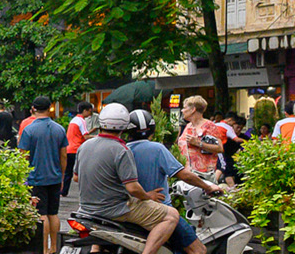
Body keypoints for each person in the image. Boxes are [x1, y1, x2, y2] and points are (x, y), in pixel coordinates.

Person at [75, 104, 193, 254]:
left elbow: (76, 177)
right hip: (116, 209)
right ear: (124, 127)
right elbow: (132, 188)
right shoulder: (121, 149)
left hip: (86, 208)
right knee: (171, 215)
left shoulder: (85, 146)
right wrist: (148, 196)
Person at [123, 110, 225, 254]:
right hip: (160, 212)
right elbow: (184, 175)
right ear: (152, 129)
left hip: (131, 212)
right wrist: (207, 186)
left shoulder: (122, 151)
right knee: (198, 250)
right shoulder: (157, 149)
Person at [16, 97, 69, 254]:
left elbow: (22, 156)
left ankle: (44, 248)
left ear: (33, 109)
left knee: (41, 215)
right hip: (54, 177)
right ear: (50, 108)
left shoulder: (29, 130)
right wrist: (62, 175)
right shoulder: (59, 129)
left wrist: (21, 178)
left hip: (35, 179)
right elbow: (64, 156)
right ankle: (54, 248)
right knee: (53, 213)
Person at [177, 96, 226, 182]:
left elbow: (220, 148)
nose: (182, 110)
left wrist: (199, 143)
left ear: (193, 110)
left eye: (184, 108)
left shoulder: (209, 126)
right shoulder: (188, 126)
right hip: (187, 174)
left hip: (203, 176)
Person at [62, 101, 94, 197]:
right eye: (89, 111)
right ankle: (85, 192)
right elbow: (86, 136)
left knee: (68, 172)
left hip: (68, 149)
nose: (90, 114)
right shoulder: (81, 121)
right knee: (82, 172)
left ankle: (64, 191)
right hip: (77, 149)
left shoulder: (73, 120)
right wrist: (98, 136)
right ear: (85, 111)